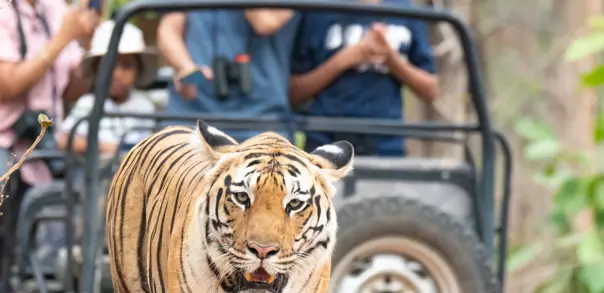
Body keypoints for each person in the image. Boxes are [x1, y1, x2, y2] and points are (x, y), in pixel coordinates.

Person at [0, 0, 100, 292]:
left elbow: (72, 88)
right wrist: (62, 39)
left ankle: (47, 290)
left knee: (85, 187)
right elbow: (7, 84)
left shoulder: (55, 8)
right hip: (6, 142)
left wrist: (87, 44)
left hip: (46, 147)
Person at [290, 0, 438, 157]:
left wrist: (391, 59)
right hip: (326, 141)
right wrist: (344, 60)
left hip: (387, 143)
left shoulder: (406, 10)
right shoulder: (317, 10)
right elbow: (293, 93)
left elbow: (430, 90)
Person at [156, 8, 300, 142]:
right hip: (190, 114)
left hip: (261, 122)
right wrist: (185, 67)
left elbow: (264, 22)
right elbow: (169, 27)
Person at [58, 19, 159, 156]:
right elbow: (64, 140)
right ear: (95, 68)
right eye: (109, 65)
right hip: (93, 175)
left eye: (126, 66)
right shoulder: (88, 104)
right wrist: (99, 146)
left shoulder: (144, 107)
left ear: (138, 71)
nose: (116, 74)